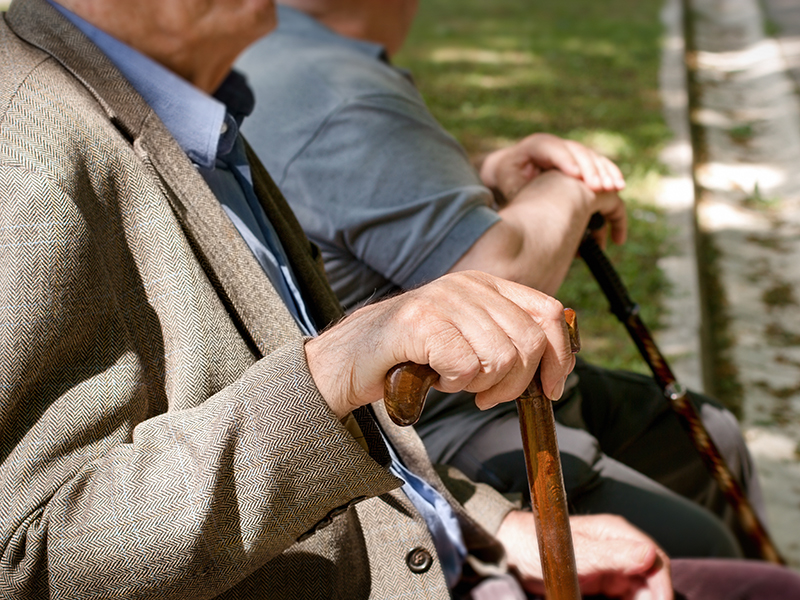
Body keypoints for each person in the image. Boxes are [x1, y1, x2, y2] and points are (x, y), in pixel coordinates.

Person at [4, 0, 800, 599]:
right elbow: (28, 562)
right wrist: (335, 367)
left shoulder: (191, 107)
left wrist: (494, 526)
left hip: (432, 538)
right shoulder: (29, 147)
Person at [236, 0, 768, 559]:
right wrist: (570, 188)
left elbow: (354, 184)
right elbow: (491, 278)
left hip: (473, 398)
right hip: (439, 422)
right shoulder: (340, 95)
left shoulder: (276, 50)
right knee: (707, 545)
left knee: (715, 436)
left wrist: (480, 172)